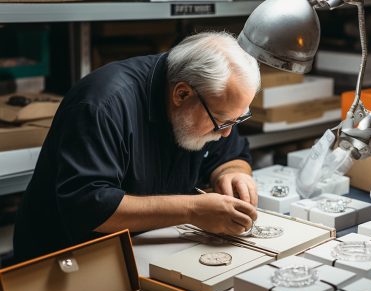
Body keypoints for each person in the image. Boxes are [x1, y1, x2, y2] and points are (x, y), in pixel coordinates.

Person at [13, 31, 261, 262]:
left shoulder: (212, 102)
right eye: (221, 120)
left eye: (237, 119)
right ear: (182, 94)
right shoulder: (102, 106)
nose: (227, 131)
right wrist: (193, 210)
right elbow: (89, 205)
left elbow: (232, 154)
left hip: (146, 252)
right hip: (65, 262)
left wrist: (233, 173)